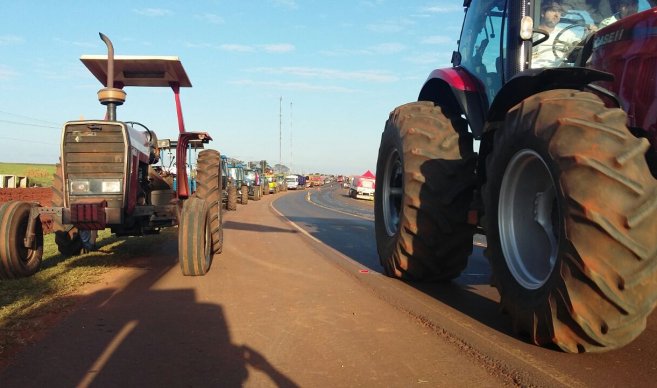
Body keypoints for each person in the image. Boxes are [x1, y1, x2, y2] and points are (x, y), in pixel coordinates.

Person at [531, 1, 581, 68]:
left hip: (559, 72)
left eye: (559, 11)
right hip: (535, 72)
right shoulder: (531, 34)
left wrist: (590, 33)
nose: (557, 15)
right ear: (543, 13)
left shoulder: (567, 33)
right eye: (553, 11)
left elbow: (579, 47)